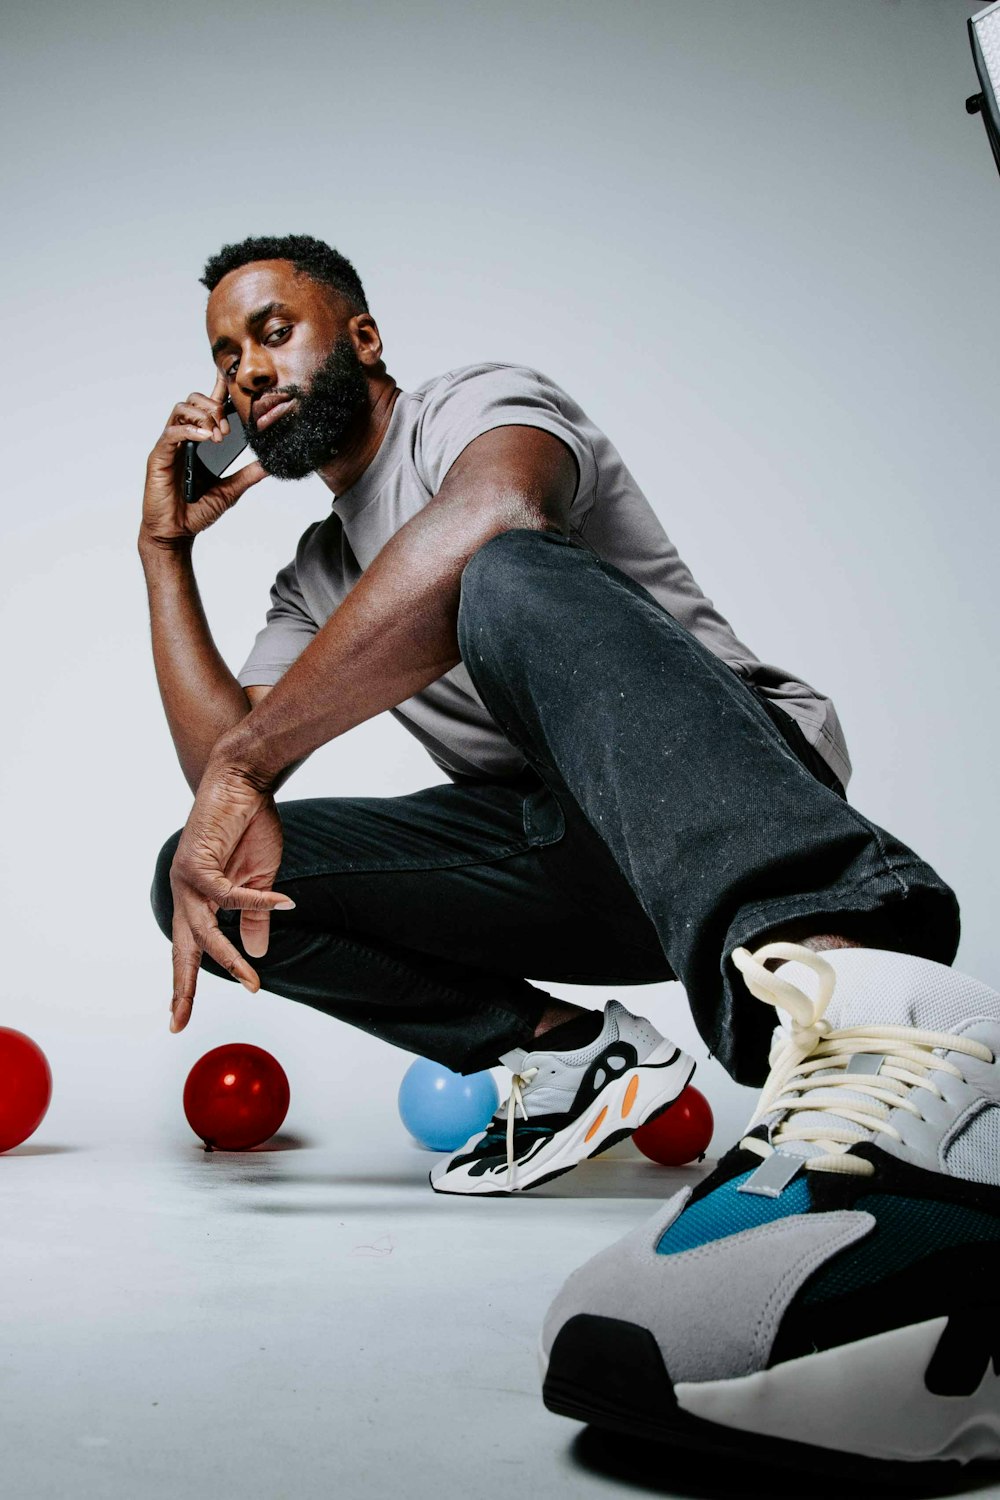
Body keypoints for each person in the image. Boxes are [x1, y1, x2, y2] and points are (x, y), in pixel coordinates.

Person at [144, 234, 1000, 1467]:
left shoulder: (477, 406)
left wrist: (247, 760)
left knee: (493, 570)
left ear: (364, 339)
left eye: (273, 331)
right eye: (225, 358)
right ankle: (566, 1055)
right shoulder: (315, 573)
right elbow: (235, 804)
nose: (245, 374)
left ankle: (874, 1002)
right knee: (197, 866)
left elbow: (502, 510)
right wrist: (164, 555)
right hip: (571, 862)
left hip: (731, 790)